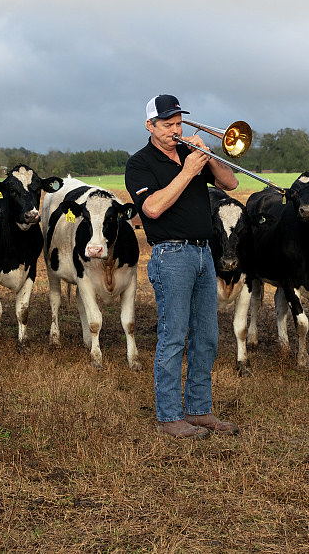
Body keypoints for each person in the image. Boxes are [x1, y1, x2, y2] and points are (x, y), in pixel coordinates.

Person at [125, 94, 240, 439]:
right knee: (173, 337)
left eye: (178, 124)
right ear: (150, 125)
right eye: (167, 125)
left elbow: (230, 183)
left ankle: (199, 410)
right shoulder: (140, 163)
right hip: (171, 256)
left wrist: (207, 156)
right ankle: (169, 417)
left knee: (206, 337)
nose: (174, 131)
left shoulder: (192, 154)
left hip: (204, 254)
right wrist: (189, 172)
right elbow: (153, 209)